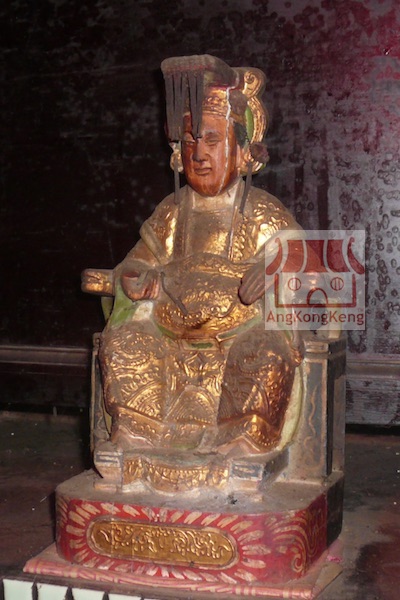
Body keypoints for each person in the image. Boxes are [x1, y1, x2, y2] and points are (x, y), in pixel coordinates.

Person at [83, 55, 303, 478]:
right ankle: (134, 436)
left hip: (238, 336)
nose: (199, 154)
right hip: (168, 335)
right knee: (124, 343)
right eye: (189, 142)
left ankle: (242, 446)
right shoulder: (172, 211)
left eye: (213, 141)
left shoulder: (260, 211)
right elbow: (136, 261)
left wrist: (273, 266)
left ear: (243, 153)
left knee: (266, 352)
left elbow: (299, 252)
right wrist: (137, 278)